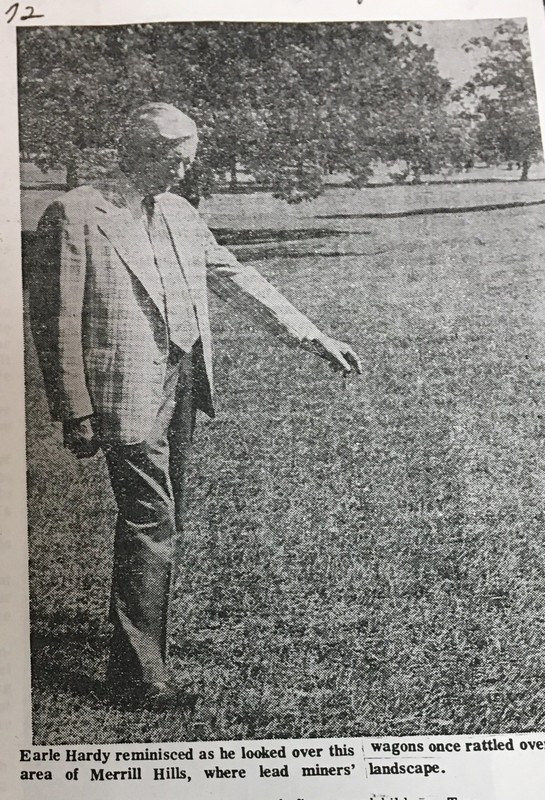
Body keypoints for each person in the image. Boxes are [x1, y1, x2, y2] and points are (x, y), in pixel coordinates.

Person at [29, 102, 361, 710]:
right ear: (139, 151)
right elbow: (54, 319)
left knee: (162, 522)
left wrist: (314, 337)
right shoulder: (75, 213)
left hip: (182, 386)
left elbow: (235, 277)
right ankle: (137, 675)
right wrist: (73, 405)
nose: (183, 172)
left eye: (188, 160)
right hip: (121, 393)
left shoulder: (181, 212)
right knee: (151, 520)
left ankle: (140, 649)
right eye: (174, 160)